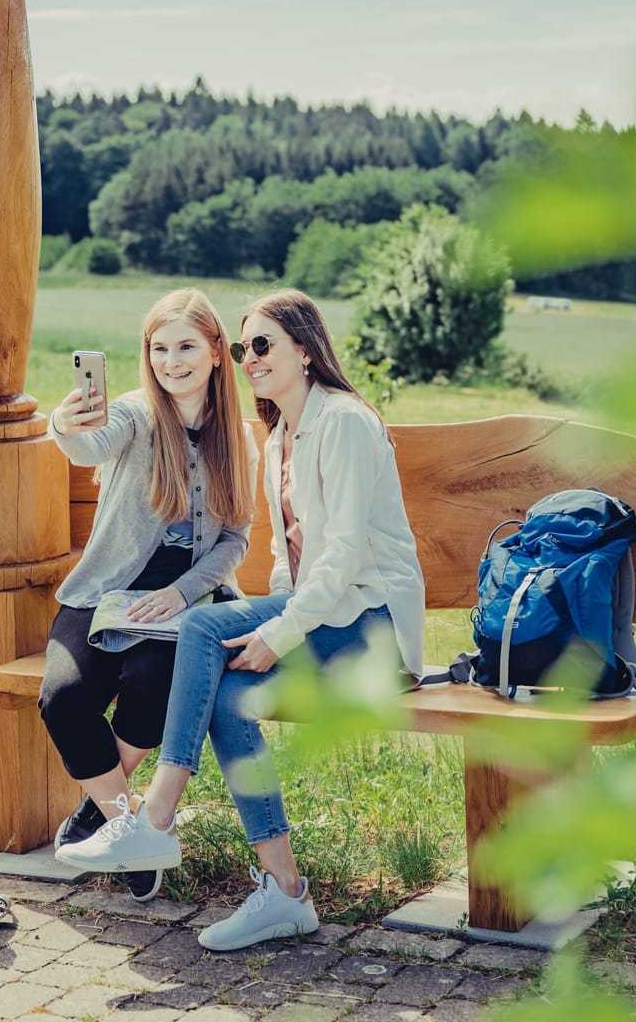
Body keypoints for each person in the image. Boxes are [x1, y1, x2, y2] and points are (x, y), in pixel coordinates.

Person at [57, 288, 426, 950]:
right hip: (325, 616)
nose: (250, 357)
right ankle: (285, 892)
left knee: (202, 627)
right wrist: (273, 623)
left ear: (306, 353)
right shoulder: (282, 436)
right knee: (228, 698)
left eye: (263, 345)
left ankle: (158, 819)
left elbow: (340, 558)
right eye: (245, 345)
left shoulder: (342, 421)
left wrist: (277, 631)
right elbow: (290, 567)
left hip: (370, 625)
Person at [40, 287, 256, 901]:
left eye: (186, 345)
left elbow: (234, 538)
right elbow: (88, 443)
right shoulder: (134, 416)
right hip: (102, 594)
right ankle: (124, 822)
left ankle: (102, 815)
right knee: (62, 698)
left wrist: (184, 593)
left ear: (217, 351)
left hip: (181, 606)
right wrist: (67, 422)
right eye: (159, 348)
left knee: (153, 679)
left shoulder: (236, 438)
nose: (171, 361)